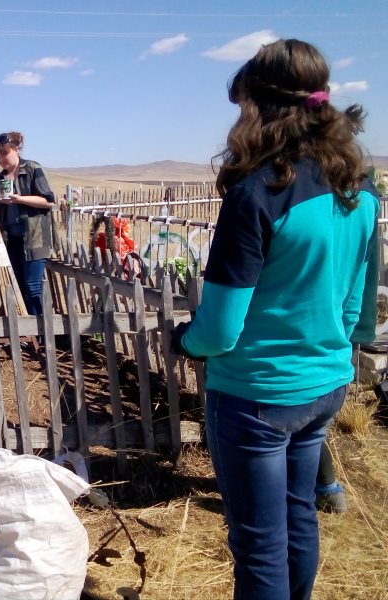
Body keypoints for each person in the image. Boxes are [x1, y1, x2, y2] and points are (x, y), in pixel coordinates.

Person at [170, 39, 379, 599]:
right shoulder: (358, 187)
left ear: (263, 107)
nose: (238, 121)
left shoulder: (258, 192)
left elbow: (219, 329)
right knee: (297, 519)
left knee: (259, 546)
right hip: (325, 383)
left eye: (242, 107)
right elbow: (356, 298)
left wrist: (184, 342)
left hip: (257, 396)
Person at [0, 131, 55, 316]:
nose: (0, 159)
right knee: (18, 287)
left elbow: (48, 201)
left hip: (35, 239)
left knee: (33, 288)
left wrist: (19, 199)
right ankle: (27, 335)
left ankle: (41, 335)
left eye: (4, 153)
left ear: (16, 148)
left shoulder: (31, 169)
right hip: (11, 241)